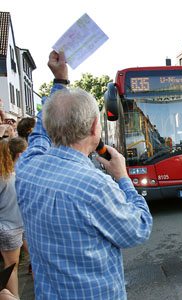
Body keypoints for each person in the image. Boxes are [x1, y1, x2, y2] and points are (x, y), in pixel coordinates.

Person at [15, 51, 153, 299]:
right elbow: (139, 228)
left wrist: (60, 81)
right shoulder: (95, 186)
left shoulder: (27, 166)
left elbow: (39, 134)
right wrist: (123, 179)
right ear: (93, 128)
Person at [0, 141, 23, 298]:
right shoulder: (11, 177)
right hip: (11, 228)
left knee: (11, 266)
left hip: (11, 227)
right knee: (12, 267)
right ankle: (14, 296)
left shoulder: (6, 176)